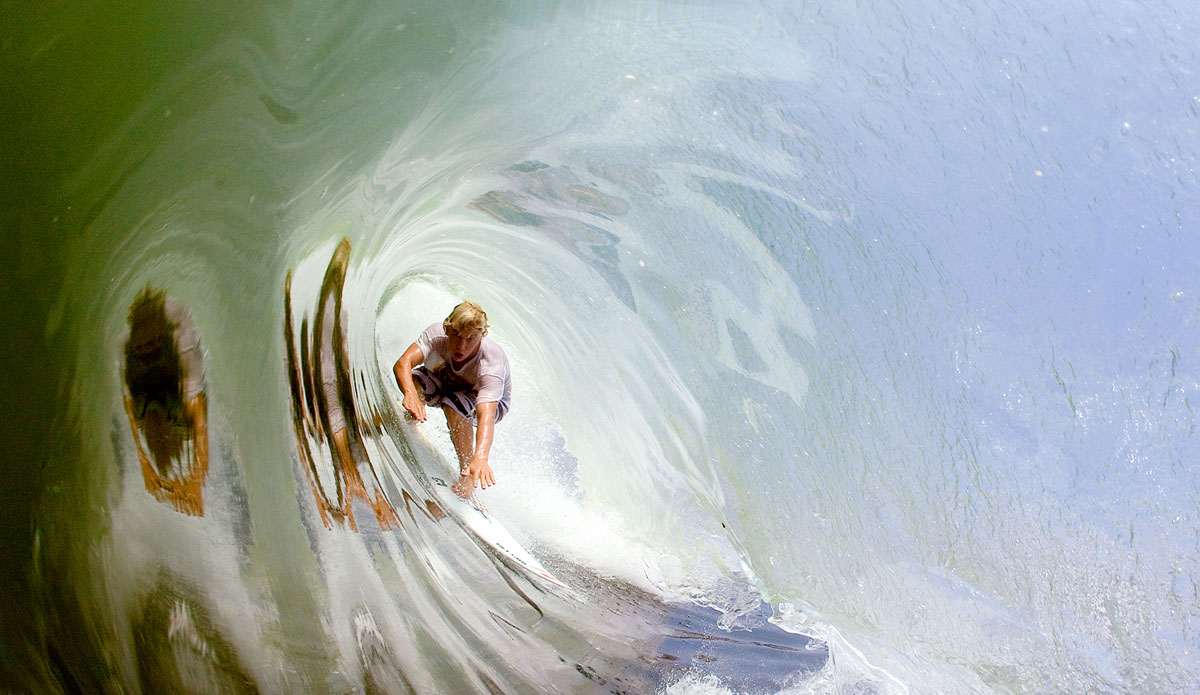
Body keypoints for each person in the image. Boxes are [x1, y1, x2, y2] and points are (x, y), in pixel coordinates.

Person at [393, 301, 512, 498]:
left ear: (481, 337)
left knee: (454, 404)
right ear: (447, 329)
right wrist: (410, 394)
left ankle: (467, 472)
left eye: (470, 339)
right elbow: (403, 363)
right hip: (447, 384)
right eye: (456, 335)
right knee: (414, 380)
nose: (461, 345)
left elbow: (486, 416)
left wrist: (481, 457)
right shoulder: (436, 335)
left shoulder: (490, 364)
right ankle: (412, 417)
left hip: (489, 404)